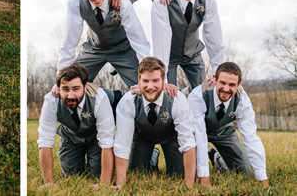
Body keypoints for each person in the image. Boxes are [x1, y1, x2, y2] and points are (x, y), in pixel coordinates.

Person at [55, 0, 150, 91]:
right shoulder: (75, 2)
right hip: (94, 49)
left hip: (123, 49)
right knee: (69, 85)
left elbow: (139, 40)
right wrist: (60, 79)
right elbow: (70, 41)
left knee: (146, 87)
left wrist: (148, 72)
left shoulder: (123, 3)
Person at [114, 57, 196, 188]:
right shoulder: (128, 101)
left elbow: (188, 143)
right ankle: (152, 157)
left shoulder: (177, 100)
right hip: (142, 137)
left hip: (171, 138)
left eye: (155, 81)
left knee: (179, 174)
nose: (150, 86)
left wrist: (189, 186)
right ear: (139, 80)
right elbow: (121, 145)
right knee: (137, 175)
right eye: (145, 81)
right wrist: (120, 184)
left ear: (164, 81)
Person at [187, 62, 269, 187]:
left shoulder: (243, 100)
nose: (226, 89)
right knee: (181, 171)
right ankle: (154, 155)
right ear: (215, 80)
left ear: (238, 85)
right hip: (195, 132)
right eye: (222, 83)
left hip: (223, 131)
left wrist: (262, 179)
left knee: (244, 172)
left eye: (232, 85)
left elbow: (251, 138)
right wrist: (204, 179)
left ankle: (217, 159)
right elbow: (199, 136)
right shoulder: (198, 94)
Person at [37, 63, 115, 188]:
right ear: (58, 88)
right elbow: (45, 141)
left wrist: (103, 184)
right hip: (70, 137)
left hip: (96, 138)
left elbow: (107, 141)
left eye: (76, 89)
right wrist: (49, 183)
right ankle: (82, 160)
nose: (70, 95)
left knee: (96, 174)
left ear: (85, 87)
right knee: (71, 175)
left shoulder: (99, 98)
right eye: (65, 89)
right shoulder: (51, 100)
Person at [151, 0, 224, 89]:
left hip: (193, 53)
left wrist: (217, 72)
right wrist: (162, 76)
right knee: (168, 94)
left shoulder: (207, 0)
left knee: (204, 92)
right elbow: (161, 40)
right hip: (169, 56)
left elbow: (213, 36)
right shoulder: (161, 2)